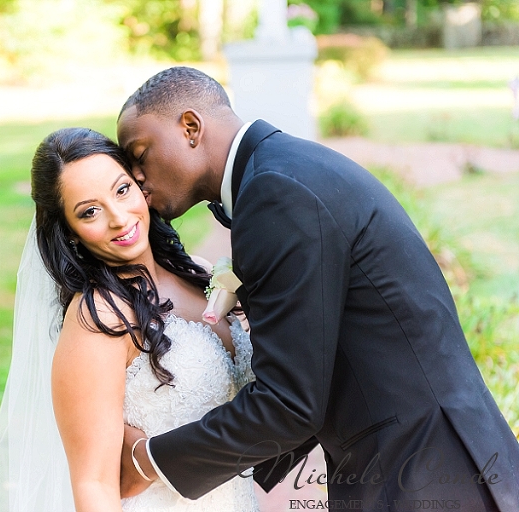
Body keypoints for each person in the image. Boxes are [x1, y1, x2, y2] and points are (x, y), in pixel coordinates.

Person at [116, 66, 519, 511]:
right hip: (438, 458)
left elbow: (290, 403)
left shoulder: (275, 193)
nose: (137, 179)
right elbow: (313, 367)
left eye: (140, 155)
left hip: (420, 474)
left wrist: (147, 461)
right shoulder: (286, 168)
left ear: (191, 127)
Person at [0, 127, 262, 512]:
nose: (119, 218)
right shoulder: (99, 318)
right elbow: (94, 485)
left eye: (121, 190)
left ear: (140, 186)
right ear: (69, 231)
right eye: (90, 211)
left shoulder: (200, 274)